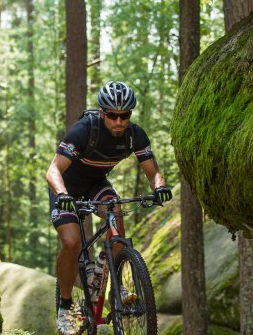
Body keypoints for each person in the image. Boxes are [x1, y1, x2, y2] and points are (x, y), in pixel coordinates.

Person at [46, 80, 173, 335]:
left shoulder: (134, 135)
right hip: (66, 188)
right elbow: (53, 170)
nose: (118, 121)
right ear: (103, 113)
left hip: (95, 184)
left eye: (124, 115)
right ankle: (65, 306)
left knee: (115, 212)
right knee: (71, 242)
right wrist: (62, 194)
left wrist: (160, 187)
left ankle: (117, 287)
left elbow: (153, 172)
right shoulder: (84, 131)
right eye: (113, 115)